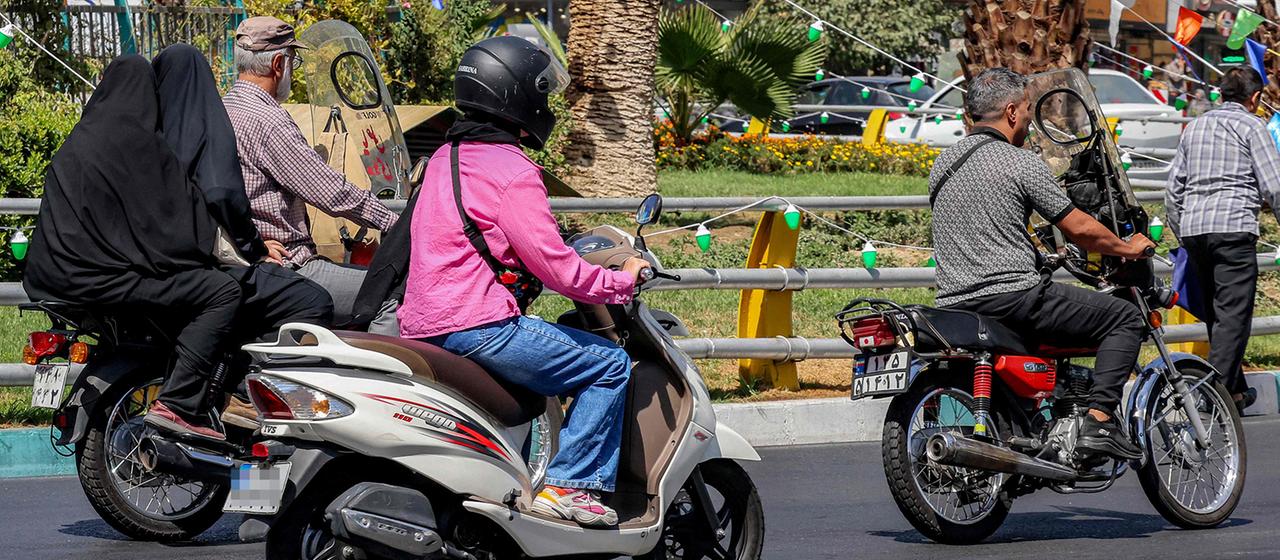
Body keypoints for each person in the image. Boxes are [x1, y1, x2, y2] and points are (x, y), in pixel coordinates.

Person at [398, 36, 650, 527]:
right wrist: (621, 280)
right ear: (517, 95)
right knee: (608, 364)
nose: (547, 104)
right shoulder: (512, 170)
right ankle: (571, 487)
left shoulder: (445, 158)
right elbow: (557, 269)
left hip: (424, 323)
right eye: (543, 93)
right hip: (480, 324)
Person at [930, 68, 1156, 461]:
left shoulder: (943, 165)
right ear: (1014, 112)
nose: (1031, 120)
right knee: (1123, 318)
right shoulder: (1020, 162)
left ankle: (1036, 427)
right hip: (1014, 298)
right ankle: (1099, 422)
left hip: (955, 305)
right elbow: (1079, 227)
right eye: (1030, 110)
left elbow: (986, 227)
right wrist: (1126, 248)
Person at [23, 56, 240, 441]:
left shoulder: (77, 142)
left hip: (51, 282)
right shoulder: (138, 146)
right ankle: (179, 403)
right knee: (223, 291)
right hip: (100, 282)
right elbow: (174, 230)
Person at [152, 44, 335, 429]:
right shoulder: (237, 122)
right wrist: (252, 248)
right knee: (314, 300)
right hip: (215, 265)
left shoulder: (150, 131)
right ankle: (254, 393)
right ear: (279, 64)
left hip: (160, 269)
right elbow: (223, 194)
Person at [222, 16, 397, 326]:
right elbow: (330, 190)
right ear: (278, 64)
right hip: (291, 265)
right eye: (293, 60)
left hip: (251, 259)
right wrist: (395, 223)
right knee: (394, 292)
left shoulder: (224, 106)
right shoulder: (268, 120)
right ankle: (388, 375)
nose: (293, 69)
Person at [1166, 67, 1280, 413]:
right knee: (1234, 316)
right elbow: (1274, 186)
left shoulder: (1196, 126)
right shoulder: (1252, 126)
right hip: (1233, 229)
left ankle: (1234, 392)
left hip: (1195, 229)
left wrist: (1181, 232)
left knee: (1217, 314)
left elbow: (1173, 189)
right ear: (1256, 98)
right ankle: (1211, 392)